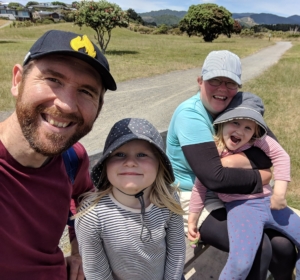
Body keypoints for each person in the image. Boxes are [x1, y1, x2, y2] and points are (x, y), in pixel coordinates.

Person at [166, 50, 297, 279]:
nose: (222, 89)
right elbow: (213, 177)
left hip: (239, 194)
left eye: (230, 83)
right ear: (200, 81)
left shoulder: (234, 106)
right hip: (194, 195)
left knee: (283, 247)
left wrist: (240, 162)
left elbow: (271, 150)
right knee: (260, 248)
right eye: (214, 80)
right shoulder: (191, 114)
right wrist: (263, 177)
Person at [0, 30, 117, 279]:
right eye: (53, 79)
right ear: (17, 80)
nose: (65, 104)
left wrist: (81, 249)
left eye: (86, 92)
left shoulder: (72, 158)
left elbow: (86, 198)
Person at [188, 91, 300, 279]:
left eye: (248, 128)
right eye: (235, 122)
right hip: (242, 209)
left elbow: (281, 156)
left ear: (255, 133)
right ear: (223, 122)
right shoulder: (214, 153)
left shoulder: (258, 141)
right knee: (241, 262)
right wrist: (192, 219)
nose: (240, 131)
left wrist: (279, 193)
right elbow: (201, 186)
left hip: (271, 203)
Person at [75, 118, 186, 280]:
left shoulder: (168, 199)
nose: (130, 162)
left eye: (142, 154)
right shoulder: (91, 216)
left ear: (159, 164)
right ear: (105, 164)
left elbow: (176, 251)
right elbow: (97, 273)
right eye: (119, 154)